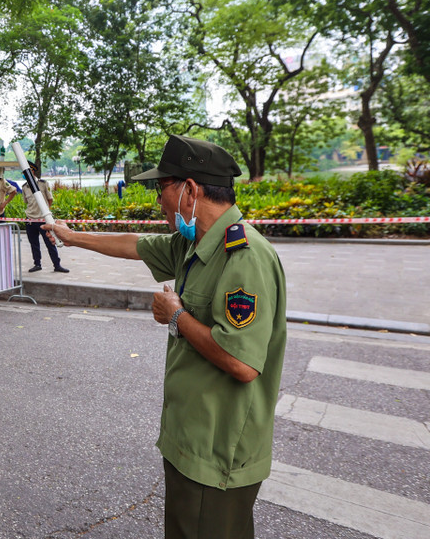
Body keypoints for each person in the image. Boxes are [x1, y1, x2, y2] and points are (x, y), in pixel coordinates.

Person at [44, 135, 287, 539]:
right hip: (191, 438)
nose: (159, 201)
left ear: (189, 190)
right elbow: (134, 245)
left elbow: (242, 364)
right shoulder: (193, 244)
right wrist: (73, 238)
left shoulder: (244, 256)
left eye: (162, 189)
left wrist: (176, 316)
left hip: (216, 451)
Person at [21, 163, 69, 273]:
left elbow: (50, 199)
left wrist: (46, 213)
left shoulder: (43, 184)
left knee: (50, 243)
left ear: (32, 171)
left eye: (25, 172)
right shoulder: (24, 187)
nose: (24, 175)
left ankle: (57, 265)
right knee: (34, 244)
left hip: (43, 219)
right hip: (30, 220)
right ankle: (37, 264)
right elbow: (26, 202)